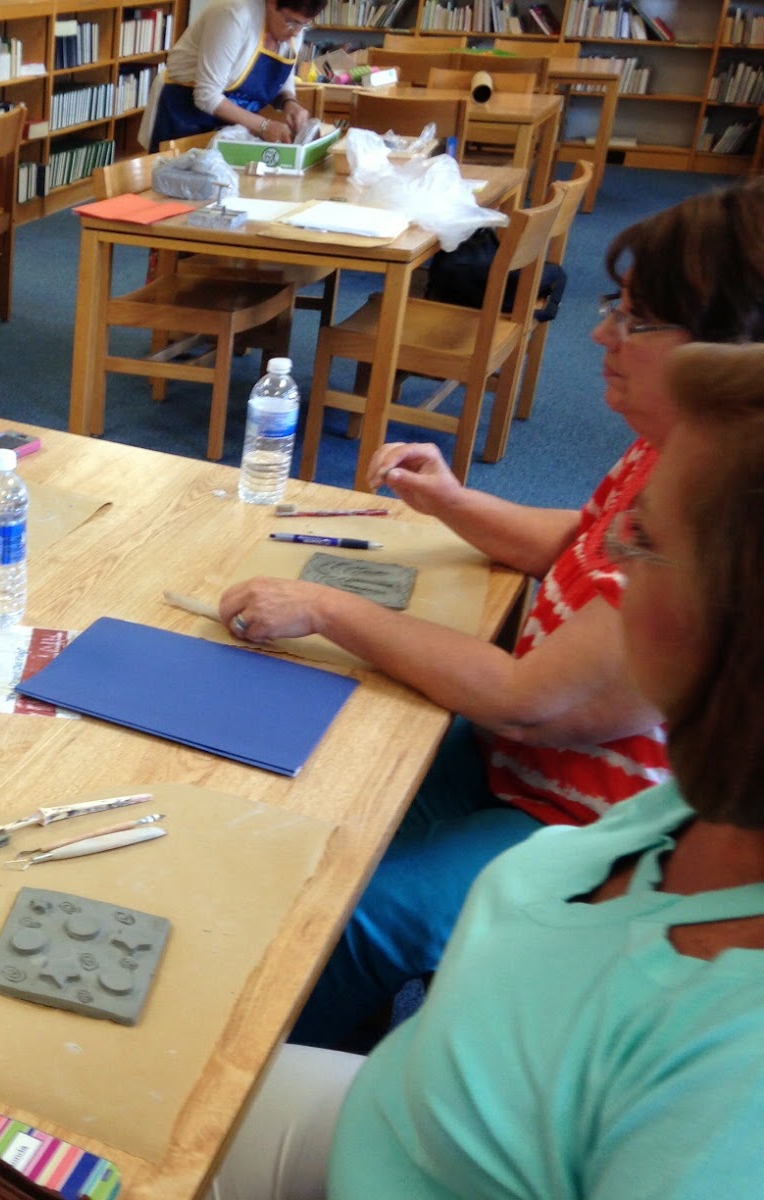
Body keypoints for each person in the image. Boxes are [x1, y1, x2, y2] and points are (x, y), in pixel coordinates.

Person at [216, 176, 764, 1048]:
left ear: (729, 354)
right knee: (317, 783)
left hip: (573, 822)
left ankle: (256, 1067)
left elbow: (527, 699)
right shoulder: (668, 453)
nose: (601, 333)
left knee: (347, 917)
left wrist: (325, 607)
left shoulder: (714, 529)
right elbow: (577, 540)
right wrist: (452, 502)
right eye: (614, 309)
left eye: (635, 321)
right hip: (514, 765)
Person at [213, 340, 764, 1200]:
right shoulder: (690, 812)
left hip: (396, 1150)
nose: (610, 559)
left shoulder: (733, 1079)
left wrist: (327, 607)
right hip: (408, 1120)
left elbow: (526, 700)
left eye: (646, 542)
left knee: (305, 940)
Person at [143, 0, 321, 152]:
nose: (296, 32)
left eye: (305, 24)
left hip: (231, 125)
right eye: (292, 22)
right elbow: (207, 96)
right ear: (272, 3)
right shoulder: (233, 15)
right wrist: (264, 126)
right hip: (184, 113)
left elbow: (280, 78)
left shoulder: (293, 28)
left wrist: (289, 102)